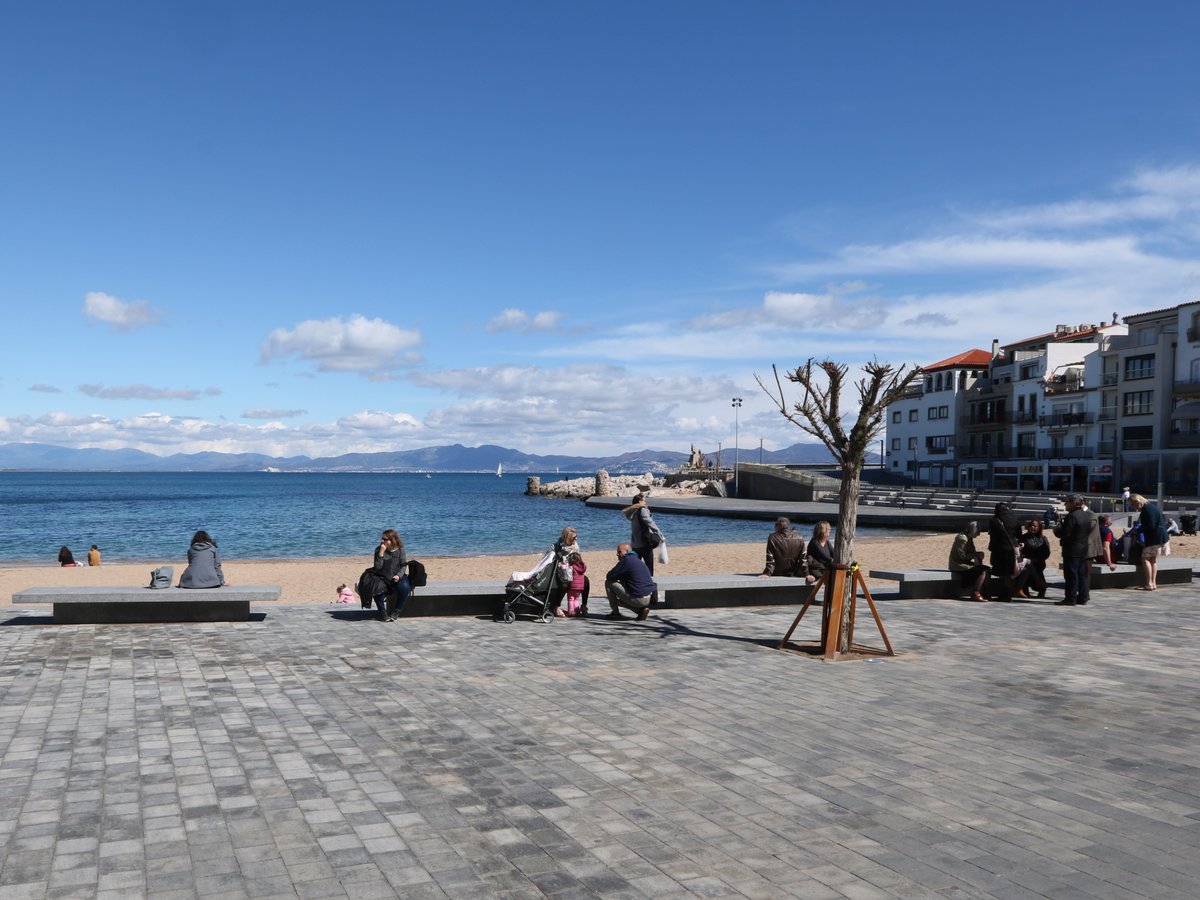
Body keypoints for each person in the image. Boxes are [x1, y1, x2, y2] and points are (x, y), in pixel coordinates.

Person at [356, 529, 410, 620]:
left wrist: (399, 575)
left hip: (397, 575)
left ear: (392, 539)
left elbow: (403, 565)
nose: (382, 541)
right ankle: (382, 612)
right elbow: (377, 567)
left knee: (405, 587)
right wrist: (381, 553)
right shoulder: (379, 549)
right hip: (381, 575)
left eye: (385, 539)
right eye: (382, 538)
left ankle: (397, 611)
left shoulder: (400, 549)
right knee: (377, 588)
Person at [1053, 495, 1093, 606]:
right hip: (1083, 548)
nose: (1065, 504)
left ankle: (1070, 598)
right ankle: (1083, 597)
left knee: (1071, 575)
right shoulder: (1085, 515)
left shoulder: (1072, 516)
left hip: (1072, 549)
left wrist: (1058, 531)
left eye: (1067, 502)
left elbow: (1066, 534)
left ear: (1074, 503)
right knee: (1082, 574)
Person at [604, 543, 657, 620]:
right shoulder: (637, 560)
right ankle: (640, 611)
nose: (617, 554)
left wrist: (619, 577)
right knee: (622, 586)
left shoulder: (626, 560)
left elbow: (609, 576)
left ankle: (615, 613)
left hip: (639, 598)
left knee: (608, 583)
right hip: (649, 597)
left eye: (619, 552)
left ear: (627, 551)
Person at [1130, 493, 1170, 591]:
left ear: (1137, 501)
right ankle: (1153, 583)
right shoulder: (1151, 507)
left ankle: (1148, 583)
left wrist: (1138, 530)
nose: (1132, 506)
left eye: (1132, 504)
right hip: (1161, 537)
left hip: (1154, 538)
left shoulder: (1146, 509)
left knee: (1145, 559)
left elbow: (1150, 526)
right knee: (1153, 559)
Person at [758, 517, 814, 582]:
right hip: (793, 572)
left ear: (780, 526)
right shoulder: (800, 537)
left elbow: (770, 557)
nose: (775, 527)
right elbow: (803, 558)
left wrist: (767, 573)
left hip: (777, 572)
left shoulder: (773, 537)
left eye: (776, 525)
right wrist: (807, 573)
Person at [987, 502, 1022, 601]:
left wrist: (991, 548)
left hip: (1000, 550)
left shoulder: (995, 520)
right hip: (1011, 549)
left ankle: (1005, 595)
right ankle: (1007, 593)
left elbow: (993, 537)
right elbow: (1019, 534)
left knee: (1003, 573)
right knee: (1008, 573)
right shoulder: (1015, 519)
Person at [948, 521, 990, 602]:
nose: (979, 534)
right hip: (958, 564)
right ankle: (975, 593)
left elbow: (972, 552)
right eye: (978, 532)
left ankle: (986, 592)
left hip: (964, 562)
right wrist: (975, 555)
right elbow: (962, 556)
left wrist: (978, 555)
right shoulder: (962, 539)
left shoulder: (969, 538)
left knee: (987, 569)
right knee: (982, 572)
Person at [623, 493, 663, 576]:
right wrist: (660, 534)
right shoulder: (643, 510)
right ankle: (649, 584)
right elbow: (650, 523)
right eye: (644, 501)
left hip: (635, 544)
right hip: (644, 543)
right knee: (649, 567)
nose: (646, 502)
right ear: (640, 501)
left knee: (635, 567)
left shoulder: (632, 512)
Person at [1013, 519, 1051, 599]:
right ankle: (1037, 585)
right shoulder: (1023, 538)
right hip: (1026, 561)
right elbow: (1020, 552)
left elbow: (1046, 552)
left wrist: (1038, 559)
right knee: (1028, 566)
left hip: (1039, 562)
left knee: (1036, 567)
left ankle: (1041, 589)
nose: (1033, 528)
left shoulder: (1043, 539)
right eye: (1031, 526)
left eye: (1035, 526)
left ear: (1039, 528)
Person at [563, 552, 587, 617]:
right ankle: (577, 611)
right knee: (576, 599)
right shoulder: (582, 568)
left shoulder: (572, 567)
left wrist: (563, 565)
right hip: (580, 587)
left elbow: (566, 570)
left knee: (570, 599)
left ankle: (571, 612)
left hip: (572, 586)